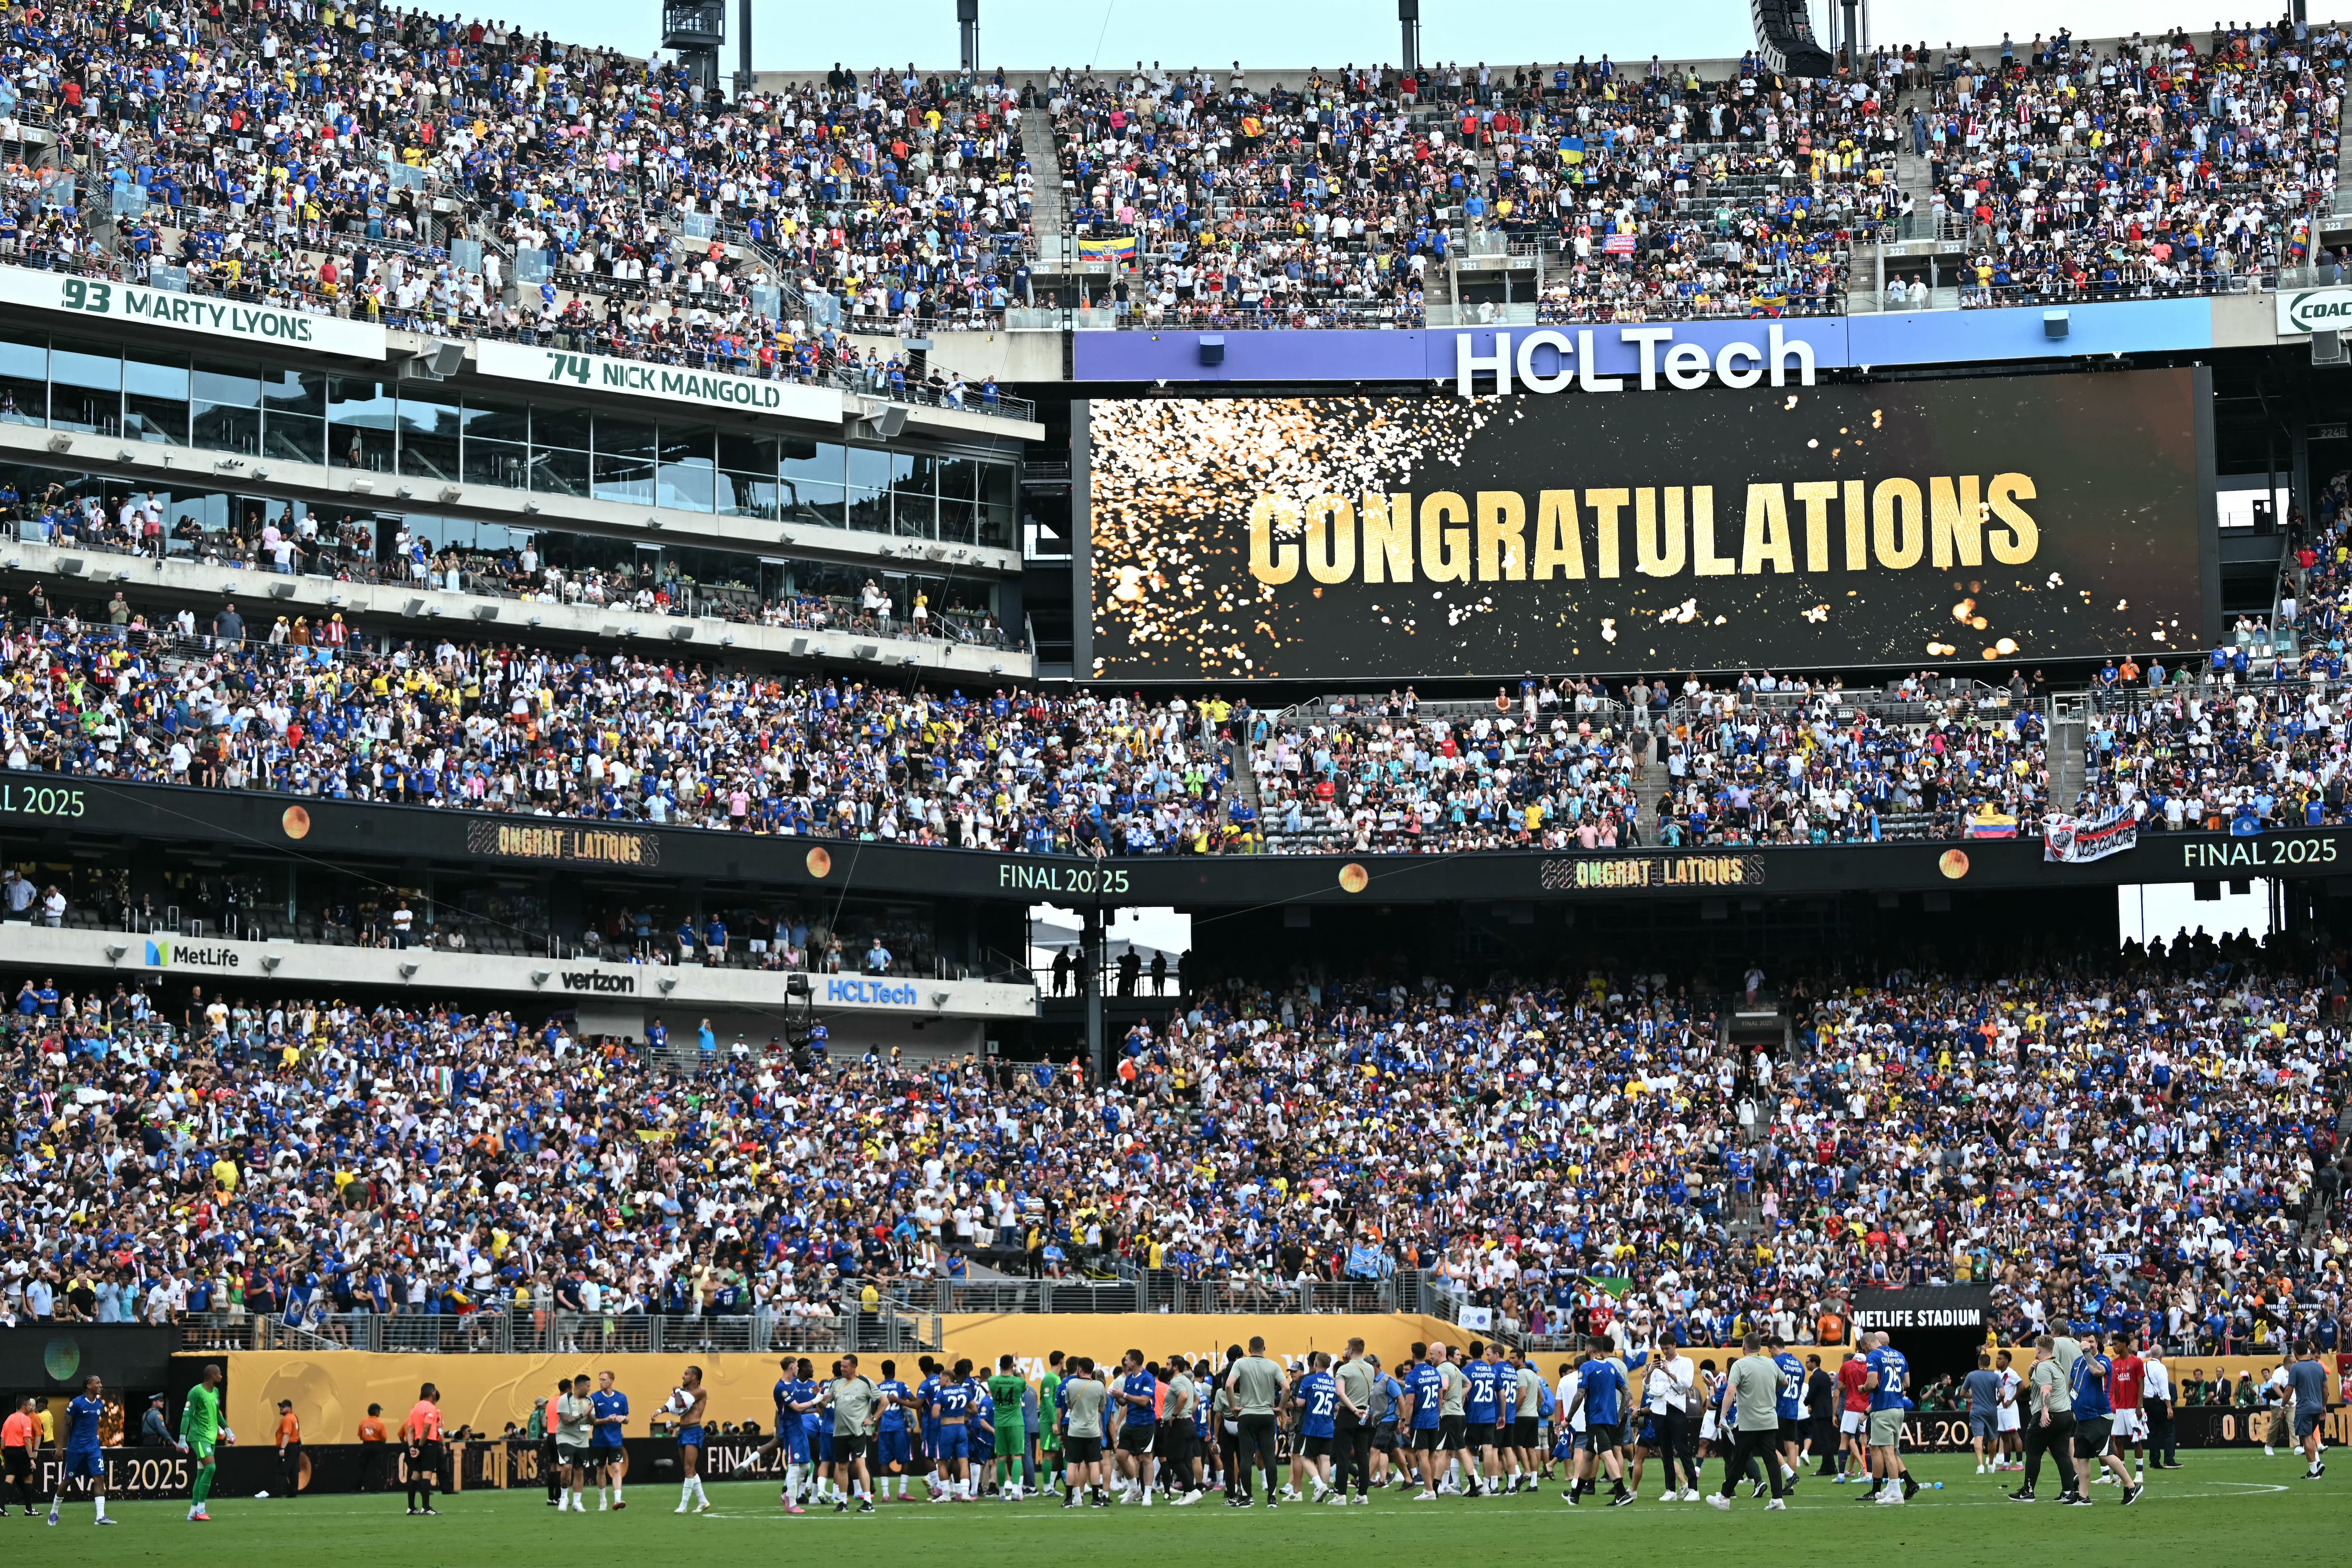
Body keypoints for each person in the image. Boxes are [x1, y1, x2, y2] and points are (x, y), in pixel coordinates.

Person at [1706, 1334, 1788, 1511]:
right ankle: (1777, 1499)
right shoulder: (1771, 1363)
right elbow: (1785, 1382)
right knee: (1771, 1460)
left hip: (1749, 1422)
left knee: (1739, 1460)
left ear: (1744, 1346)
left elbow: (1730, 1390)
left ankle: (1724, 1498)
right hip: (1769, 1420)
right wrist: (1770, 1389)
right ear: (1760, 1347)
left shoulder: (1740, 1365)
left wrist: (1722, 1415)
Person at [1562, 1335, 1633, 1506]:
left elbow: (1580, 1395)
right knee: (1588, 1456)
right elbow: (1627, 1393)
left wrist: (1568, 1419)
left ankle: (1622, 1493)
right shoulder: (1611, 1367)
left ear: (1588, 1349)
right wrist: (1620, 1414)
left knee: (1606, 1453)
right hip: (1610, 1419)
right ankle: (1575, 1495)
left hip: (1596, 1418)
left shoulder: (1587, 1367)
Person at [2067, 1334, 2138, 1505]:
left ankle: (2131, 1486)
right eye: (2085, 1341)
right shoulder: (2078, 1362)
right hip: (2083, 1417)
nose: (2088, 1344)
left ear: (2097, 1343)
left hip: (2099, 1415)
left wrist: (2086, 1352)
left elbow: (2097, 1371)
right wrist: (2074, 1406)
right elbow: (2071, 1384)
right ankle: (2084, 1496)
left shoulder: (2103, 1360)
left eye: (2091, 1341)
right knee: (2082, 1456)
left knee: (2105, 1454)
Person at [2011, 1334, 2075, 1504]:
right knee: (2062, 1454)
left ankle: (2028, 1490)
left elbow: (2046, 1389)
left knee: (2033, 1451)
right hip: (2065, 1414)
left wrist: (2045, 1412)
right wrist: (2032, 1372)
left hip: (2049, 1413)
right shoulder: (2057, 1364)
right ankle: (2068, 1490)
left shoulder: (2044, 1367)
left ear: (2039, 1349)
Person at [1228, 1336, 1287, 1509]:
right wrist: (1280, 1408)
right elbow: (1286, 1387)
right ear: (1265, 1348)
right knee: (1269, 1457)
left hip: (1247, 1414)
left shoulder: (1241, 1364)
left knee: (1246, 1457)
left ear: (1249, 1349)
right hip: (1267, 1414)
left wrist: (1233, 1407)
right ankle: (1272, 1498)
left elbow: (1229, 1385)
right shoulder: (1273, 1365)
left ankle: (1246, 1497)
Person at [50, 1374, 115, 1525]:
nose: (101, 1385)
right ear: (89, 1386)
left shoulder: (99, 1404)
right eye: (98, 1383)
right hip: (76, 1449)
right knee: (68, 1481)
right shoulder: (77, 1403)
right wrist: (60, 1447)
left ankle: (100, 1517)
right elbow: (66, 1424)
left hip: (93, 1449)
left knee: (99, 1478)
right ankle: (54, 1512)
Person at [1861, 1331, 1918, 1504]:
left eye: (1864, 1350)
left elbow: (1871, 1384)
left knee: (1886, 1452)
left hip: (1883, 1408)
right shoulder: (1899, 1355)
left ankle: (1896, 1494)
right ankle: (1892, 1489)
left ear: (1868, 1345)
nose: (1865, 1353)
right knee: (1892, 1451)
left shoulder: (1873, 1356)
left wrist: (1863, 1389)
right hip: (1898, 1408)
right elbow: (1907, 1383)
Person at [823, 1353, 879, 1513]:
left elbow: (884, 1401)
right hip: (839, 1432)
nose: (842, 1369)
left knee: (860, 1464)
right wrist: (818, 1396)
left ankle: (868, 1501)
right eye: (841, 1366)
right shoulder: (835, 1383)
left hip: (858, 1432)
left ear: (854, 1367)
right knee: (841, 1467)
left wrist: (873, 1419)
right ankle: (843, 1502)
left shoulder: (865, 1382)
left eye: (845, 1367)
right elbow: (826, 1403)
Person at [1058, 1356, 1107, 1508]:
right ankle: (1096, 1499)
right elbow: (1102, 1408)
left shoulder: (1071, 1384)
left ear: (1080, 1369)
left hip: (1074, 1431)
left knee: (1073, 1463)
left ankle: (1068, 1499)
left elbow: (1069, 1405)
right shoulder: (1099, 1386)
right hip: (1092, 1431)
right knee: (1093, 1463)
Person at [181, 1363, 223, 1522]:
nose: (221, 1376)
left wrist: (227, 1429)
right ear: (213, 1376)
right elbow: (186, 1415)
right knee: (211, 1468)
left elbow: (217, 1415)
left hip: (211, 1438)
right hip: (199, 1437)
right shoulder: (195, 1392)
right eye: (219, 1374)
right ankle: (201, 1509)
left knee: (201, 1474)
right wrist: (182, 1439)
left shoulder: (216, 1392)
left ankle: (193, 1512)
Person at [2288, 1342, 2330, 1480]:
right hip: (2317, 1407)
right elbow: (2326, 1390)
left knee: (2306, 1437)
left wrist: (2283, 1407)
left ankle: (2314, 1471)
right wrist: (2324, 1406)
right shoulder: (2319, 1366)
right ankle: (2317, 1463)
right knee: (2310, 1436)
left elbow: (2289, 1389)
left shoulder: (2295, 1368)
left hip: (2304, 1407)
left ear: (2295, 1353)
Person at [588, 1369, 629, 1509]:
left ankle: (618, 1499)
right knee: (600, 1469)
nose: (601, 1382)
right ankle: (603, 1501)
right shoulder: (594, 1398)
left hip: (616, 1440)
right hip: (599, 1440)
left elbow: (627, 1418)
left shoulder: (622, 1398)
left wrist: (623, 1419)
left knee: (616, 1468)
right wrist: (607, 1420)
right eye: (600, 1379)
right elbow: (592, 1420)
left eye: (603, 1380)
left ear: (611, 1381)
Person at [672, 1365, 710, 1514]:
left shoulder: (700, 1391)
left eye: (686, 1374)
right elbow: (675, 1408)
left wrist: (677, 1392)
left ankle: (683, 1505)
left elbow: (681, 1404)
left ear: (694, 1377)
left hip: (694, 1430)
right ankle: (703, 1501)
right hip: (683, 1430)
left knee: (689, 1468)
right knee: (689, 1468)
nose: (683, 1376)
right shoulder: (684, 1392)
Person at [402, 1382, 445, 1516]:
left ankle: (411, 1507)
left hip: (416, 1442)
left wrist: (411, 1447)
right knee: (427, 1474)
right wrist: (421, 1447)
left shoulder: (415, 1408)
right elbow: (426, 1429)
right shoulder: (431, 1408)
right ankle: (426, 1507)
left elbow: (410, 1430)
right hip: (428, 1443)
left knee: (416, 1474)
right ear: (433, 1393)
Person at [875, 1359, 914, 1502]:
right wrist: (900, 1400)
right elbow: (914, 1401)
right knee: (906, 1460)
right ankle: (902, 1492)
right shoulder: (901, 1386)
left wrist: (876, 1429)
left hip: (884, 1429)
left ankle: (886, 1495)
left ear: (883, 1371)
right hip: (899, 1428)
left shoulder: (877, 1388)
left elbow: (875, 1411)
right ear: (894, 1371)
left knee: (884, 1462)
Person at [554, 1377, 594, 1512]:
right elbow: (566, 1420)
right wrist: (583, 1414)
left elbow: (593, 1420)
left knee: (580, 1470)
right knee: (567, 1466)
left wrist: (607, 1419)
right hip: (565, 1438)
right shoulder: (565, 1399)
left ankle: (577, 1502)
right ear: (580, 1387)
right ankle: (564, 1497)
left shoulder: (589, 1401)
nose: (589, 1389)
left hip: (582, 1440)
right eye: (588, 1386)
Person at [1964, 1353, 2004, 1475]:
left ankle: (1980, 1465)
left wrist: (1972, 1396)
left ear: (1979, 1363)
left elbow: (1962, 1393)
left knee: (1978, 1437)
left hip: (1977, 1410)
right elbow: (2002, 1394)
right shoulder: (1995, 1376)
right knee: (1993, 1438)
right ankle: (1991, 1464)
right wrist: (1996, 1403)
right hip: (1991, 1410)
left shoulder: (1972, 1375)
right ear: (1989, 1363)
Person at [5, 1397, 38, 1516]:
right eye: (29, 1405)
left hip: (9, 1451)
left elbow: (3, 1440)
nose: (31, 1407)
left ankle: (1, 1508)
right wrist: (31, 1459)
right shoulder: (26, 1419)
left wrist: (5, 1454)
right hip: (21, 1451)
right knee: (28, 1478)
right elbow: (27, 1440)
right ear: (24, 1406)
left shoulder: (9, 1419)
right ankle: (29, 1509)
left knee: (9, 1478)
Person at [273, 1399, 302, 1498]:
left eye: (283, 1406)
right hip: (295, 1446)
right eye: (280, 1406)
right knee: (293, 1470)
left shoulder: (287, 1419)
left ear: (289, 1408)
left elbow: (287, 1434)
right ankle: (293, 1492)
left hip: (288, 1447)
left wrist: (282, 1449)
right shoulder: (294, 1417)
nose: (281, 1408)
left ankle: (278, 1493)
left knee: (282, 1470)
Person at [358, 1404, 389, 1493]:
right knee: (376, 1468)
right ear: (376, 1412)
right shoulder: (380, 1423)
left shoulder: (363, 1422)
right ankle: (374, 1488)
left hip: (365, 1446)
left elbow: (361, 1436)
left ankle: (358, 1488)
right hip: (376, 1446)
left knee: (362, 1468)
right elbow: (384, 1438)